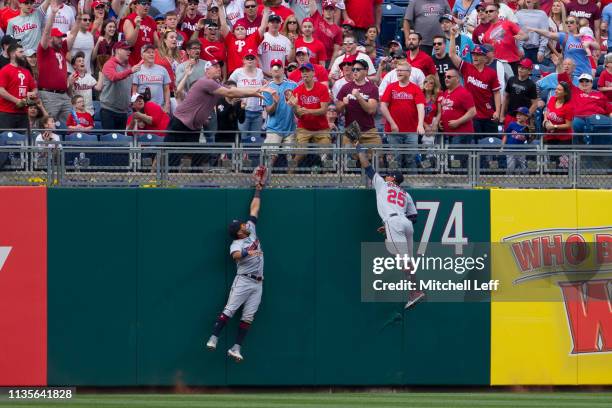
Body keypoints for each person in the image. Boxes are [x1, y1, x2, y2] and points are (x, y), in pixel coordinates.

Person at [352, 139, 422, 309]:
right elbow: (414, 217)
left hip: (393, 221)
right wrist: (393, 223)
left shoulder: (383, 185)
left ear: (392, 179)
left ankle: (415, 291)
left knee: (402, 259)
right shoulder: (406, 193)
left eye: (389, 174)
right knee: (408, 260)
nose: (387, 175)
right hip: (405, 223)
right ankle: (414, 291)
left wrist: (359, 148)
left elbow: (367, 166)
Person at [205, 178, 266, 363]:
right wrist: (250, 251)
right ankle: (213, 337)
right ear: (239, 232)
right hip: (244, 280)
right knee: (230, 310)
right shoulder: (236, 243)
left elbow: (254, 209)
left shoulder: (251, 229)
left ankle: (236, 348)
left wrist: (258, 190)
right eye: (241, 225)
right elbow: (236, 256)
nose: (244, 225)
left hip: (258, 283)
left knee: (248, 317)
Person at [165, 60, 268, 165]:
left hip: (193, 126)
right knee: (169, 156)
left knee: (195, 157)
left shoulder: (217, 84)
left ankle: (191, 179)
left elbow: (233, 91)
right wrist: (256, 92)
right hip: (180, 123)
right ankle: (160, 178)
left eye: (219, 66)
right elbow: (230, 92)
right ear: (207, 71)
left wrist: (201, 116)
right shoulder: (206, 81)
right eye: (215, 66)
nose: (219, 68)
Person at [449, 33, 501, 139]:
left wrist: (498, 111)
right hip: (472, 115)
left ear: (484, 58)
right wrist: (452, 36)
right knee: (475, 146)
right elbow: (452, 55)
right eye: (473, 55)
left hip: (488, 114)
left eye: (478, 55)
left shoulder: (491, 73)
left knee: (491, 144)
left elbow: (496, 92)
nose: (475, 57)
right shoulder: (467, 67)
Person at [380, 61, 425, 171]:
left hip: (411, 131)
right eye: (397, 70)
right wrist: (392, 123)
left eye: (401, 70)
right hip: (394, 131)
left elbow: (420, 107)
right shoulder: (391, 87)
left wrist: (420, 125)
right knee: (395, 161)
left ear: (409, 73)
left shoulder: (415, 88)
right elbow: (383, 106)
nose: (398, 72)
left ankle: (413, 185)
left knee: (411, 159)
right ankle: (394, 186)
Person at [287, 62, 331, 168]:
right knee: (300, 152)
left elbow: (324, 110)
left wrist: (307, 111)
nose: (304, 73)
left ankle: (328, 176)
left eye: (307, 71)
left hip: (321, 128)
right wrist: (294, 107)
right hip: (304, 127)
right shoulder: (297, 90)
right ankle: (289, 174)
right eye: (302, 71)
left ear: (313, 73)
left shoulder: (322, 88)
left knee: (326, 152)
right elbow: (299, 115)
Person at [37, 4, 73, 125]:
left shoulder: (61, 50)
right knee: (48, 125)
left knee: (71, 124)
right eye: (58, 37)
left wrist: (78, 20)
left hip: (63, 95)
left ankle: (67, 144)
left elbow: (73, 34)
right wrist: (52, 14)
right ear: (51, 38)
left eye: (61, 37)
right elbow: (46, 32)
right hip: (48, 95)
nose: (60, 40)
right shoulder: (44, 50)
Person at [100, 41, 143, 131]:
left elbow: (128, 88)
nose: (129, 52)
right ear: (118, 50)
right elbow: (113, 77)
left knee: (121, 141)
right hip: (109, 110)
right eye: (126, 49)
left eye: (129, 50)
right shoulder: (110, 64)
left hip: (123, 111)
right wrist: (130, 71)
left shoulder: (128, 67)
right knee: (110, 140)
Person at [336, 59, 380, 146]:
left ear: (366, 70)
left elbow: (371, 110)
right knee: (348, 157)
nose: (355, 71)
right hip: (351, 130)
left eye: (358, 69)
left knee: (377, 157)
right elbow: (337, 110)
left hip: (368, 130)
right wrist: (343, 104)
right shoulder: (346, 87)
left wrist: (359, 97)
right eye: (353, 69)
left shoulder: (372, 88)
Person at [263, 59, 297, 167]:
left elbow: (298, 106)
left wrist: (294, 104)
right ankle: (265, 179)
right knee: (270, 157)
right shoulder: (268, 88)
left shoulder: (293, 85)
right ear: (271, 71)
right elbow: (269, 111)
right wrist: (276, 103)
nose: (276, 69)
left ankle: (291, 182)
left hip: (290, 128)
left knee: (291, 158)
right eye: (274, 67)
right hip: (274, 128)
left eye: (279, 66)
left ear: (283, 70)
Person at [218, 5, 269, 76]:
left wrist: (266, 9)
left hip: (252, 72)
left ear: (246, 31)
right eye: (237, 29)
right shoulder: (230, 39)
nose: (240, 31)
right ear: (234, 32)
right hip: (234, 73)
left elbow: (263, 27)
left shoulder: (253, 38)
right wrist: (220, 7)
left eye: (242, 29)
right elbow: (223, 25)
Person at [229, 49, 266, 142]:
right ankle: (242, 157)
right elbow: (229, 85)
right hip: (243, 111)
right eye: (248, 58)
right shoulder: (238, 72)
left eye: (252, 58)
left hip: (258, 111)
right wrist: (234, 96)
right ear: (243, 60)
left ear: (256, 60)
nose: (250, 60)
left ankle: (253, 157)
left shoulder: (260, 72)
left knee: (255, 140)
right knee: (243, 139)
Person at [482, 1, 528, 76]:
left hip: (512, 62)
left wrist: (523, 38)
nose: (488, 13)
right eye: (486, 12)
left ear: (497, 12)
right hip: (497, 65)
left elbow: (526, 36)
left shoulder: (508, 23)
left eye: (491, 11)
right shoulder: (486, 35)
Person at [0, 42, 37, 131]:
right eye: (20, 52)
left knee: (24, 142)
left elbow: (34, 88)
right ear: (13, 54)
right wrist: (17, 101)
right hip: (7, 113)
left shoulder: (26, 71)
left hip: (23, 113)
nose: (23, 54)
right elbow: (1, 91)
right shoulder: (5, 70)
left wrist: (32, 94)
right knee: (7, 141)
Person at [435, 68, 477, 146]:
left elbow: (473, 111)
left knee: (457, 158)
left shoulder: (463, 93)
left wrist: (458, 122)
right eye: (445, 77)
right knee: (449, 158)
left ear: (457, 79)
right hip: (448, 134)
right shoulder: (445, 93)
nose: (446, 79)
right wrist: (441, 121)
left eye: (449, 77)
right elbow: (446, 109)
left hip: (461, 134)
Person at [132, 44, 171, 113]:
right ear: (142, 55)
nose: (151, 54)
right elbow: (134, 91)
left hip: (160, 108)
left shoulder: (162, 70)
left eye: (153, 52)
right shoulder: (137, 70)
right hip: (143, 109)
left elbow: (167, 90)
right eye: (148, 52)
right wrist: (136, 108)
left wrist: (167, 105)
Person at [571, 73, 611, 140]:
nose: (584, 83)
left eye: (587, 81)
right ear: (578, 84)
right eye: (581, 81)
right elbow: (563, 79)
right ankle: (577, 148)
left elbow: (609, 109)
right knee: (575, 123)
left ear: (592, 83)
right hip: (580, 119)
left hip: (596, 119)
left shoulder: (599, 94)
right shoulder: (574, 91)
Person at [543, 81, 574, 167]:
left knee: (562, 165)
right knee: (551, 163)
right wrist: (545, 121)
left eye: (559, 90)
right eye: (556, 89)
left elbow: (568, 125)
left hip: (564, 139)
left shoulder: (569, 106)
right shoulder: (552, 99)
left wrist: (554, 126)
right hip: (551, 136)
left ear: (565, 93)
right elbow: (547, 112)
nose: (556, 91)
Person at [501, 58, 538, 128]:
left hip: (522, 118)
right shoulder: (511, 79)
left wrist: (526, 116)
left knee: (520, 138)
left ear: (529, 71)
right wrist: (502, 115)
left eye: (524, 68)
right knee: (507, 136)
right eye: (519, 67)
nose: (520, 69)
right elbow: (506, 97)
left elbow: (535, 104)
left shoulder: (531, 84)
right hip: (510, 115)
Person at [122, 0, 159, 66]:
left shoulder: (151, 21)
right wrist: (137, 26)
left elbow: (156, 45)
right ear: (136, 5)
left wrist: (162, 36)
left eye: (148, 3)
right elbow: (130, 42)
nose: (146, 6)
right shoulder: (129, 19)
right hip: (133, 63)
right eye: (144, 3)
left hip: (147, 64)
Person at [515, 0, 549, 64]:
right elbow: (516, 32)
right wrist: (519, 47)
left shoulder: (542, 14)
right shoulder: (518, 14)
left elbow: (544, 33)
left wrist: (541, 50)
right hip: (522, 50)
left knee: (536, 73)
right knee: (522, 72)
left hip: (536, 50)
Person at [502, 106, 531, 171]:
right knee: (510, 168)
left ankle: (525, 180)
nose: (518, 116)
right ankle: (509, 180)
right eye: (517, 114)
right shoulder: (512, 124)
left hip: (521, 151)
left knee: (524, 169)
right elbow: (506, 135)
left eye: (520, 114)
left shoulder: (527, 128)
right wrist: (502, 147)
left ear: (526, 117)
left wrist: (530, 133)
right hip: (510, 150)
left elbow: (529, 140)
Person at [67, 8, 95, 74]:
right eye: (85, 20)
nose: (88, 22)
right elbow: (65, 52)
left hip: (87, 73)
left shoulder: (91, 36)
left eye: (89, 20)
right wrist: (76, 66)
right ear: (78, 20)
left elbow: (91, 57)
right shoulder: (70, 33)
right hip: (72, 73)